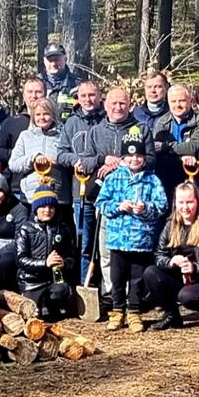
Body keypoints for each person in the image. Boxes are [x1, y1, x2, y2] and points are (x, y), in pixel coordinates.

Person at [71, 87, 139, 296]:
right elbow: (85, 161)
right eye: (114, 104)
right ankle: (109, 292)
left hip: (131, 197)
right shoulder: (96, 131)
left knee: (128, 248)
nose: (118, 107)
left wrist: (119, 164)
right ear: (106, 105)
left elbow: (149, 160)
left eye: (122, 103)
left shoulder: (139, 129)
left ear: (129, 105)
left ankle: (129, 293)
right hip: (104, 199)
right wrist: (103, 160)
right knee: (103, 249)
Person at [97, 135, 168, 332]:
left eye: (138, 156)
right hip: (117, 240)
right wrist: (118, 206)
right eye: (129, 157)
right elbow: (101, 203)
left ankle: (135, 312)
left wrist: (146, 208)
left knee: (137, 279)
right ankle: (117, 310)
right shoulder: (112, 178)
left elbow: (162, 206)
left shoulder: (152, 180)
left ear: (144, 158)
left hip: (141, 239)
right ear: (122, 159)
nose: (134, 160)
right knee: (117, 278)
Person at [143, 182, 199, 330]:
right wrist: (170, 261)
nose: (185, 207)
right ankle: (172, 315)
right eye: (181, 202)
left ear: (197, 202)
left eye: (189, 202)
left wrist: (195, 267)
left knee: (187, 297)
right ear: (175, 203)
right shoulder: (170, 225)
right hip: (179, 278)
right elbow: (159, 255)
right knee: (150, 273)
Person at [15, 188, 81, 320]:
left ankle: (53, 309)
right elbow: (21, 259)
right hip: (31, 280)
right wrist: (45, 263)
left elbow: (72, 256)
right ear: (36, 209)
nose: (47, 210)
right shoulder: (26, 229)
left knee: (61, 291)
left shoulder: (62, 229)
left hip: (54, 279)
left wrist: (65, 263)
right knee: (32, 314)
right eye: (43, 206)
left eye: (51, 206)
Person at [152, 84, 199, 192]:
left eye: (182, 101)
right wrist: (181, 156)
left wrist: (166, 147)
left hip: (192, 177)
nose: (177, 105)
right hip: (166, 177)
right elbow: (157, 152)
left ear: (190, 101)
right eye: (173, 101)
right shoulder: (162, 122)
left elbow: (192, 147)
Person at [41, 42, 79, 114]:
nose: (53, 64)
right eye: (50, 60)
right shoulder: (37, 84)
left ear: (65, 59)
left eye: (56, 59)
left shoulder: (77, 84)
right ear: (44, 61)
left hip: (69, 123)